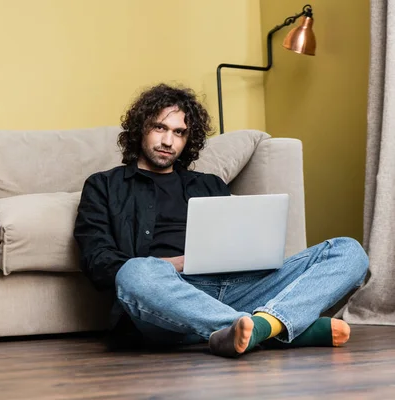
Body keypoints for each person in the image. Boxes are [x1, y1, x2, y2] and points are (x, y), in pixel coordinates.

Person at [73, 83, 369, 357]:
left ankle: (253, 329)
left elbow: (239, 241)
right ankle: (271, 328)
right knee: (133, 273)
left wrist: (257, 253)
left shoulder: (209, 184)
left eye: (179, 132)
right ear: (141, 130)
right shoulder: (105, 185)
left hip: (238, 286)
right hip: (170, 294)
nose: (167, 141)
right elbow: (98, 262)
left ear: (188, 139)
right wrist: (180, 263)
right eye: (159, 128)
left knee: (349, 251)